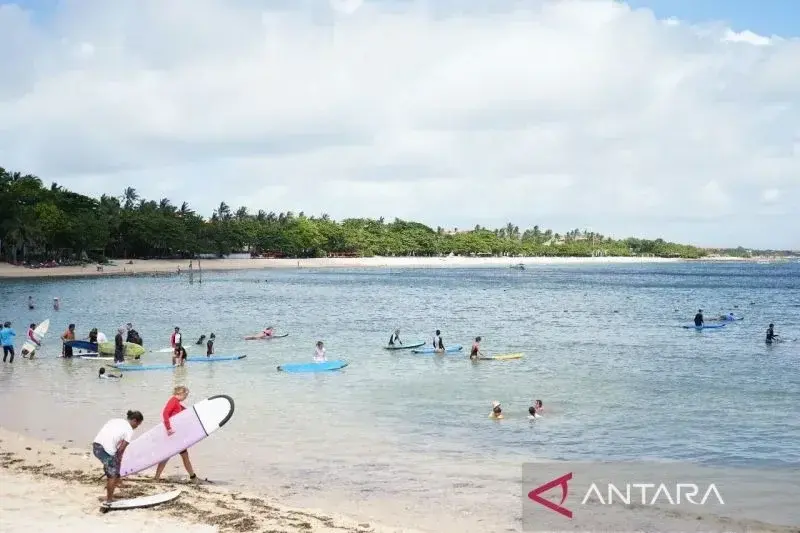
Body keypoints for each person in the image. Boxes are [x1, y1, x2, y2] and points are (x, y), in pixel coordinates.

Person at [92, 410, 143, 503]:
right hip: (105, 450)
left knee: (112, 466)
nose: (137, 427)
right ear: (135, 421)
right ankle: (109, 499)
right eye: (138, 424)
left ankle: (117, 483)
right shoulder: (129, 430)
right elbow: (121, 450)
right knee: (112, 475)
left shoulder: (115, 420)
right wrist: (118, 458)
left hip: (96, 445)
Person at [154, 386, 198, 482]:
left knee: (177, 456)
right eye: (186, 395)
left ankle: (157, 477)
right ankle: (193, 477)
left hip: (177, 436)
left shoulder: (176, 402)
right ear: (180, 394)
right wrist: (168, 428)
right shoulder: (173, 401)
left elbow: (184, 411)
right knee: (178, 456)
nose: (186, 397)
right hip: (174, 437)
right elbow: (165, 413)